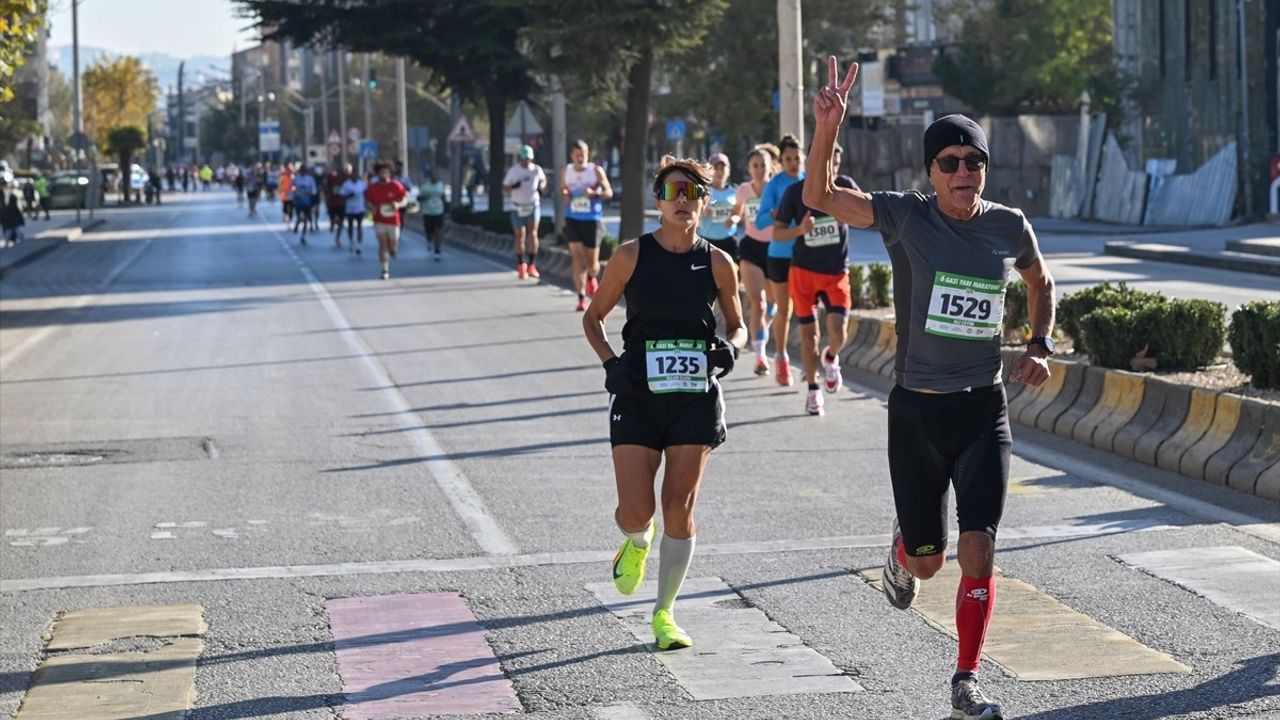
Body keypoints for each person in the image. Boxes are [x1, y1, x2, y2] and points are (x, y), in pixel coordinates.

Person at [805, 57, 1056, 720]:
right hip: (916, 413)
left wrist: (1038, 345)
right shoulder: (905, 217)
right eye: (949, 162)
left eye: (974, 161)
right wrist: (828, 127)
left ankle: (965, 681)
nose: (963, 173)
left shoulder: (1008, 225)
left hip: (982, 409)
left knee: (981, 545)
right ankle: (901, 548)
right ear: (929, 171)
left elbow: (1041, 285)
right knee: (928, 564)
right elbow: (821, 198)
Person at [582, 156, 746, 651]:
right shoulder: (631, 256)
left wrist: (731, 347)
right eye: (673, 191)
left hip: (694, 395)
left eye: (693, 193)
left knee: (678, 505)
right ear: (657, 200)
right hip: (638, 392)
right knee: (636, 510)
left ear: (704, 203)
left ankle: (664, 613)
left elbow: (736, 322)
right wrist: (612, 364)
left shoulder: (719, 261)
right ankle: (636, 540)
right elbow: (594, 318)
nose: (682, 200)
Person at [773, 143, 858, 416]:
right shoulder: (795, 192)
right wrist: (801, 229)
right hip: (804, 272)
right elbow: (777, 234)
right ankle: (812, 389)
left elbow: (867, 217)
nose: (831, 170)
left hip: (836, 272)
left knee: (839, 331)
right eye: (826, 163)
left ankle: (831, 356)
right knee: (809, 336)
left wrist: (848, 213)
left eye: (835, 164)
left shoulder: (845, 186)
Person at [754, 134, 805, 387]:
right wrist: (778, 215)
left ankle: (810, 362)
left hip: (809, 256)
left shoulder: (810, 181)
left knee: (809, 310)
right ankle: (782, 357)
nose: (793, 163)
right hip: (780, 255)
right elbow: (760, 221)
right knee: (785, 310)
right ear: (781, 161)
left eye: (797, 158)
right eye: (788, 159)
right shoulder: (775, 185)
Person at [732, 146, 777, 376]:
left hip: (776, 249)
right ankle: (760, 356)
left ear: (771, 166)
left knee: (773, 304)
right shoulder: (743, 189)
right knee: (757, 303)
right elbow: (737, 211)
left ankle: (762, 330)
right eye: (755, 165)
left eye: (763, 165)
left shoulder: (778, 188)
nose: (759, 170)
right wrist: (731, 218)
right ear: (749, 168)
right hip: (751, 248)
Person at [562, 139, 614, 310]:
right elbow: (564, 191)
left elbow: (608, 192)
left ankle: (592, 278)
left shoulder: (596, 171)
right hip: (573, 218)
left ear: (587, 154)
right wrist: (565, 195)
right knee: (577, 258)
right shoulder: (567, 171)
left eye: (583, 154)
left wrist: (595, 193)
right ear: (572, 155)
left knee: (592, 264)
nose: (580, 158)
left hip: (592, 220)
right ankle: (581, 298)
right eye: (577, 155)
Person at [503, 145, 547, 280]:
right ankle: (521, 264)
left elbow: (543, 179)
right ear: (520, 158)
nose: (526, 161)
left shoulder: (536, 170)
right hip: (517, 207)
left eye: (528, 158)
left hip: (533, 205)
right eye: (523, 159)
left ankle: (532, 265)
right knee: (520, 236)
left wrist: (541, 187)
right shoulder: (514, 171)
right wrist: (513, 187)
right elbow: (504, 188)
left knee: (533, 234)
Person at [364, 161, 408, 279]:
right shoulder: (373, 188)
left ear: (389, 174)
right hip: (379, 219)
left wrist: (398, 204)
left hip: (393, 220)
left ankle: (393, 250)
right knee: (382, 244)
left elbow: (404, 199)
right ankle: (384, 270)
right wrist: (371, 208)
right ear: (378, 174)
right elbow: (367, 202)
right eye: (381, 172)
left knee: (392, 246)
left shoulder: (396, 185)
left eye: (386, 172)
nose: (384, 174)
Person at [698, 152, 740, 263]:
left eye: (723, 167)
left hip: (729, 240)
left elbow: (740, 213)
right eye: (715, 167)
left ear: (728, 170)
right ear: (709, 170)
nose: (719, 171)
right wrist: (702, 212)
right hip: (707, 240)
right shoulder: (703, 191)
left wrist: (734, 218)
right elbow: (694, 214)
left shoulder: (736, 191)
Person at [419, 167, 447, 261]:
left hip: (438, 212)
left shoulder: (441, 185)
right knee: (429, 232)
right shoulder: (424, 186)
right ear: (429, 176)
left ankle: (437, 251)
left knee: (438, 231)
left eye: (437, 175)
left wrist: (447, 210)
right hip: (427, 212)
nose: (435, 176)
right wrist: (424, 197)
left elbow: (443, 197)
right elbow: (419, 198)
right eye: (433, 175)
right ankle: (429, 240)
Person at [340, 167, 367, 254]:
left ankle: (359, 244)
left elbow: (366, 194)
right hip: (350, 209)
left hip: (360, 208)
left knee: (359, 227)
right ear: (351, 176)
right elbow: (342, 195)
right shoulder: (346, 184)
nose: (355, 176)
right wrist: (350, 195)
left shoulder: (362, 184)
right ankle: (351, 241)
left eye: (356, 175)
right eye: (353, 175)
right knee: (350, 226)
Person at [290, 163, 318, 245]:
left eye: (305, 170)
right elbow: (292, 187)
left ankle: (303, 236)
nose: (303, 171)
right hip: (298, 200)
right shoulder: (296, 178)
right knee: (299, 217)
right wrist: (295, 192)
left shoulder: (310, 179)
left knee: (305, 219)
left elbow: (314, 190)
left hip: (307, 201)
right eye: (302, 170)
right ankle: (297, 224)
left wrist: (310, 192)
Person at [325, 164, 349, 246]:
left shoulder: (346, 179)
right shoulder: (331, 178)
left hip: (341, 203)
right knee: (333, 219)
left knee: (341, 222)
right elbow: (326, 188)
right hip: (332, 203)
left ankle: (337, 239)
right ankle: (332, 223)